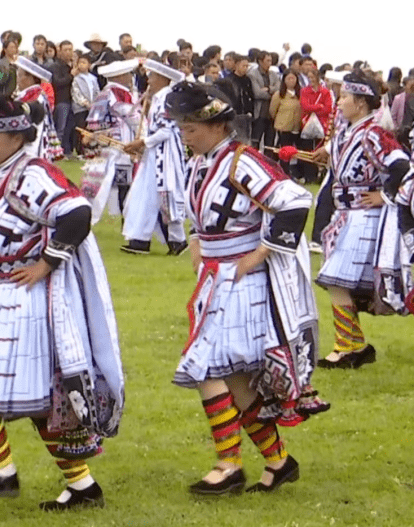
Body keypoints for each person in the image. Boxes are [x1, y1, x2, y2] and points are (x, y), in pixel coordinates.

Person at [0, 90, 123, 510]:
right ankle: (10, 471)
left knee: (26, 397)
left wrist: (46, 263)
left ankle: (72, 483)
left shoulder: (31, 174)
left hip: (25, 295)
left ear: (15, 138)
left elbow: (76, 213)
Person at [166, 81, 328, 496]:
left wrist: (258, 254)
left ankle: (229, 464)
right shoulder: (202, 162)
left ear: (217, 125)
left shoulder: (243, 162)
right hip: (217, 281)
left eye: (190, 126)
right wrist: (198, 240)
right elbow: (200, 211)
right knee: (237, 384)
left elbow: (293, 201)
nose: (184, 133)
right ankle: (278, 461)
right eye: (182, 126)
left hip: (244, 283)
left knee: (205, 369)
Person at [314, 71, 412, 369]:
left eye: (344, 97)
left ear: (360, 102)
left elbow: (401, 165)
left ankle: (348, 346)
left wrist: (385, 195)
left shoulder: (373, 133)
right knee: (340, 283)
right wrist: (326, 155)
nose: (339, 101)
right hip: (346, 216)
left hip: (365, 217)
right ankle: (352, 346)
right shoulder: (349, 131)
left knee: (336, 280)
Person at [120, 60, 188, 255]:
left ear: (162, 78)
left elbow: (167, 130)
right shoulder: (158, 98)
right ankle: (140, 239)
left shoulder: (168, 99)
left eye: (152, 76)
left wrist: (142, 143)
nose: (149, 80)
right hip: (154, 153)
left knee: (167, 192)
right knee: (145, 193)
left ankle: (177, 240)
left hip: (165, 155)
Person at [84, 60, 140, 219]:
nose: (130, 77)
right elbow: (132, 117)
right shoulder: (118, 92)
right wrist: (144, 133)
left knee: (99, 184)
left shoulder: (104, 92)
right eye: (128, 73)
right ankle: (127, 221)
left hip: (106, 144)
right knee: (124, 186)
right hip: (120, 145)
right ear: (121, 76)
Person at [270, 71, 303, 179]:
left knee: (295, 150)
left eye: (293, 78)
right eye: (288, 78)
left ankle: (296, 172)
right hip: (283, 126)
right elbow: (272, 110)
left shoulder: (300, 94)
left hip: (296, 126)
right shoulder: (279, 94)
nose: (291, 81)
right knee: (284, 150)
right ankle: (284, 172)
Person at [248, 52, 280, 151]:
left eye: (271, 61)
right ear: (260, 61)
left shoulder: (273, 74)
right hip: (260, 113)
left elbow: (278, 89)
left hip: (271, 114)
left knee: (269, 143)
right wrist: (272, 93)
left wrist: (268, 89)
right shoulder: (252, 75)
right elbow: (257, 93)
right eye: (268, 61)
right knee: (255, 141)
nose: (270, 63)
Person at [70, 54, 99, 158]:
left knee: (91, 129)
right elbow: (76, 93)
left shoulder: (93, 78)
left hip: (93, 108)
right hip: (80, 108)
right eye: (80, 63)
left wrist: (96, 104)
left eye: (84, 62)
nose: (81, 65)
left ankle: (90, 150)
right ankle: (80, 151)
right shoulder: (76, 79)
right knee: (80, 129)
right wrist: (85, 103)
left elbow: (96, 91)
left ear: (89, 65)